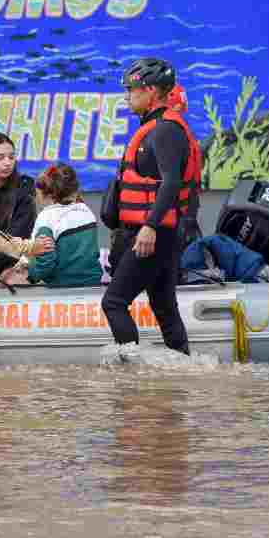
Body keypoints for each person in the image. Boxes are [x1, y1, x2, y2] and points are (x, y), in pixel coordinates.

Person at [102, 57, 201, 355]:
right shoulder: (155, 127)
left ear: (152, 91)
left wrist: (149, 227)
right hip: (161, 233)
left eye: (133, 89)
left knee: (114, 302)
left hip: (154, 234)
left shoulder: (165, 130)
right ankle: (182, 370)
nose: (128, 96)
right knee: (164, 307)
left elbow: (171, 183)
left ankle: (132, 373)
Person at [26, 163, 103, 288]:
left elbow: (45, 263)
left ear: (46, 194)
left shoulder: (46, 218)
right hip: (93, 283)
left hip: (62, 288)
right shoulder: (87, 211)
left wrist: (30, 276)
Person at [0, 133, 38, 281]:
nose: (7, 162)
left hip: (9, 261)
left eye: (11, 157)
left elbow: (18, 235)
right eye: (0, 157)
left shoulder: (23, 191)